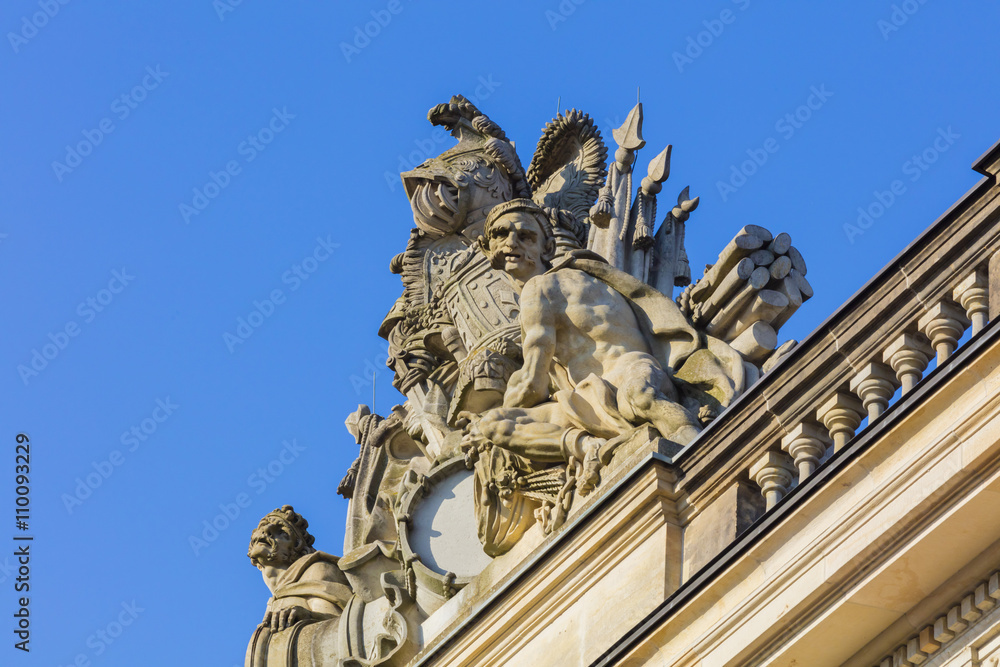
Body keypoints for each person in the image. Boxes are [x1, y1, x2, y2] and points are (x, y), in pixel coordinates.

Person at [469, 198, 743, 486]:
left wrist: (491, 411)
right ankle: (590, 448)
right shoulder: (582, 274)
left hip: (629, 370)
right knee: (496, 425)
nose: (512, 243)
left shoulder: (540, 289)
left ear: (546, 248)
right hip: (587, 396)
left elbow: (533, 384)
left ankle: (702, 454)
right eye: (501, 234)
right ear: (488, 247)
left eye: (525, 236)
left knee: (637, 397)